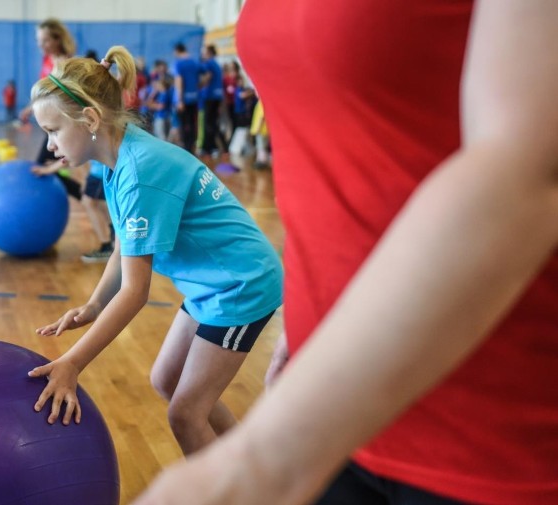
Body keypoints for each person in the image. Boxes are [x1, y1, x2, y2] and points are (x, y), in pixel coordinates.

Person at [132, 1, 558, 504]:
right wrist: (313, 299)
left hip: (491, 407)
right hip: (335, 379)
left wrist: (265, 457)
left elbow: (525, 172)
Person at [26, 46, 283, 457]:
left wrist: (72, 363)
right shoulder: (114, 159)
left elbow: (135, 292)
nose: (50, 144)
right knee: (166, 380)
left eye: (53, 130)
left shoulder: (140, 171)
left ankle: (233, 487)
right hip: (210, 285)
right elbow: (128, 243)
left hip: (241, 286)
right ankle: (248, 463)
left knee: (186, 414)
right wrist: (93, 305)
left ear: (90, 119)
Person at [20, 18, 82, 200]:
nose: (41, 45)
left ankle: (85, 194)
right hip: (49, 124)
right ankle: (86, 195)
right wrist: (30, 107)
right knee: (47, 166)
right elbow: (44, 90)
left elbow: (63, 97)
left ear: (57, 39)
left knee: (44, 167)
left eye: (45, 40)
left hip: (63, 125)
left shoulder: (65, 64)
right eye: (39, 40)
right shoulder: (47, 59)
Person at [170, 43, 200, 154]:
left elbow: (179, 81)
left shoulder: (179, 64)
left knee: (183, 125)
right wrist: (198, 87)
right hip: (194, 99)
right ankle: (191, 147)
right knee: (192, 124)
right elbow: (204, 75)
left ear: (177, 51)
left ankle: (186, 150)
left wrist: (180, 100)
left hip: (183, 101)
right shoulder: (194, 63)